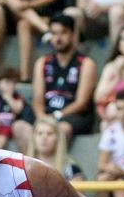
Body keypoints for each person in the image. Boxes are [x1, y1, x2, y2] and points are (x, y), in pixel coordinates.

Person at [31, 13, 97, 144]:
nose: (58, 38)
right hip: (47, 114)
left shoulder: (86, 64)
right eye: (54, 33)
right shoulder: (42, 63)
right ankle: (28, 165)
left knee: (61, 129)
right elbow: (37, 99)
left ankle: (53, 165)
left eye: (63, 33)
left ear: (73, 34)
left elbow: (81, 103)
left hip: (73, 116)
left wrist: (56, 116)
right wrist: (42, 119)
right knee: (20, 127)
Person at [5, 0, 66, 83]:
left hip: (53, 14)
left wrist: (27, 4)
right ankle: (25, 76)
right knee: (19, 18)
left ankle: (46, 29)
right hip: (35, 17)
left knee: (23, 21)